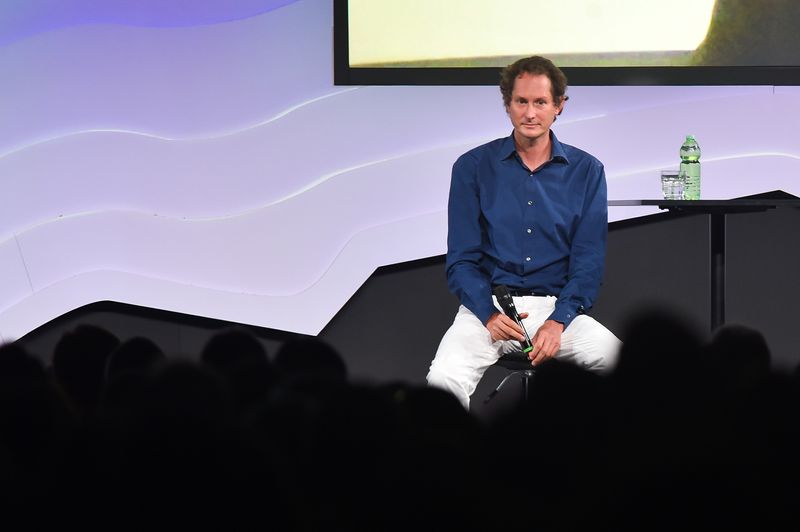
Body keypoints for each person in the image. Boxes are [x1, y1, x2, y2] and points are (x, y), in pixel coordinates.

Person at [426, 55, 621, 409]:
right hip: (487, 311)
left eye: (541, 102)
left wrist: (559, 321)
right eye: (521, 102)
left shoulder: (587, 171)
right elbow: (462, 260)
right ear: (508, 104)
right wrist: (487, 313)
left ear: (559, 106)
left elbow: (588, 262)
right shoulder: (472, 167)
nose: (530, 113)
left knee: (629, 370)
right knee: (443, 380)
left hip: (556, 310)